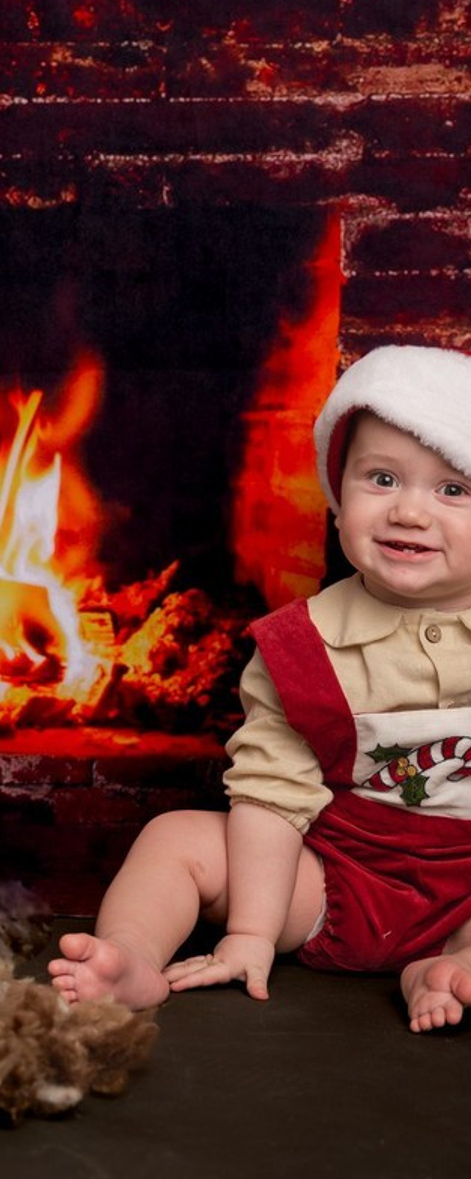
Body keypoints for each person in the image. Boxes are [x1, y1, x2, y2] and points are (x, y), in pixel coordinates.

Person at [48, 343, 471, 1033]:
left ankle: (446, 964)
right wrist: (250, 932)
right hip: (335, 881)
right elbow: (273, 796)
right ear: (339, 501)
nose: (410, 513)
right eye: (382, 479)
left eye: (452, 489)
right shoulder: (302, 646)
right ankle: (132, 958)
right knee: (174, 839)